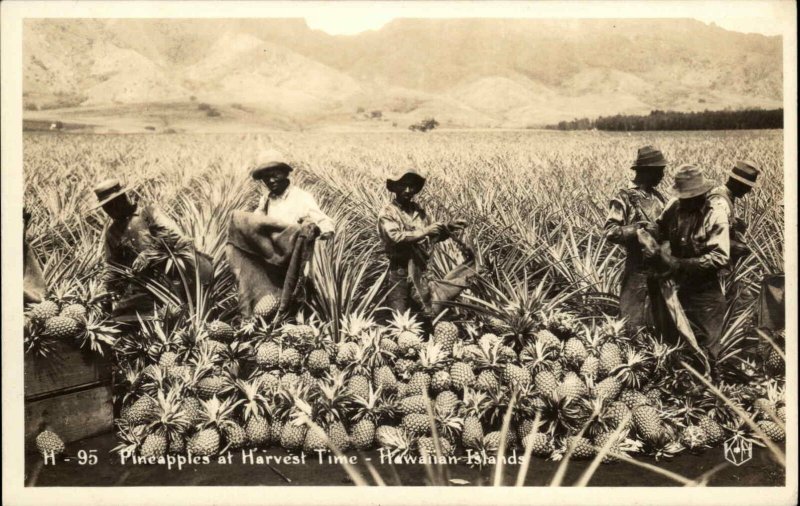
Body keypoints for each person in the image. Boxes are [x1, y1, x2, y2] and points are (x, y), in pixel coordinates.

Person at [93, 178, 211, 321]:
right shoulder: (112, 232)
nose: (110, 210)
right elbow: (112, 266)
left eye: (113, 204)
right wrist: (104, 288)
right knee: (120, 320)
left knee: (182, 313)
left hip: (174, 275)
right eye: (106, 207)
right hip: (144, 284)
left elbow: (175, 237)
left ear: (123, 198)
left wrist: (150, 254)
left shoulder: (148, 213)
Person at [654, 165, 730, 368]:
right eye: (683, 197)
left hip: (705, 290)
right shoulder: (674, 205)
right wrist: (662, 247)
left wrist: (679, 263)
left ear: (702, 194)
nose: (686, 201)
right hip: (678, 286)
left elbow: (720, 257)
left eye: (691, 197)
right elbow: (659, 229)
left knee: (707, 347)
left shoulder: (715, 213)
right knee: (678, 344)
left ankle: (710, 387)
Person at [377, 170, 465, 314]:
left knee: (425, 314)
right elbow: (395, 238)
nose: (407, 190)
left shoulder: (419, 211)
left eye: (411, 187)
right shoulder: (388, 212)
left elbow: (431, 237)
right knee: (400, 316)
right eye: (403, 186)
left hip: (420, 271)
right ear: (396, 188)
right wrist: (425, 231)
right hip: (399, 272)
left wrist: (449, 228)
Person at [603, 146, 668, 331]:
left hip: (658, 267)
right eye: (659, 171)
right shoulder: (624, 196)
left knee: (658, 322)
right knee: (632, 322)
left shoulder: (657, 197)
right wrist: (639, 228)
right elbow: (610, 231)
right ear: (647, 171)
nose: (662, 175)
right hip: (636, 269)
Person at [251, 159, 335, 240]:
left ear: (285, 173)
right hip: (273, 251)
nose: (271, 180)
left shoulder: (301, 197)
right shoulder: (266, 200)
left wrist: (324, 230)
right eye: (266, 177)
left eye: (275, 175)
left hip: (294, 251)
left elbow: (323, 221)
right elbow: (255, 220)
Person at [708, 160, 760, 263]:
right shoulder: (720, 202)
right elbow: (708, 235)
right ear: (738, 183)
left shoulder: (723, 193)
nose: (749, 191)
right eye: (747, 186)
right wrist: (735, 246)